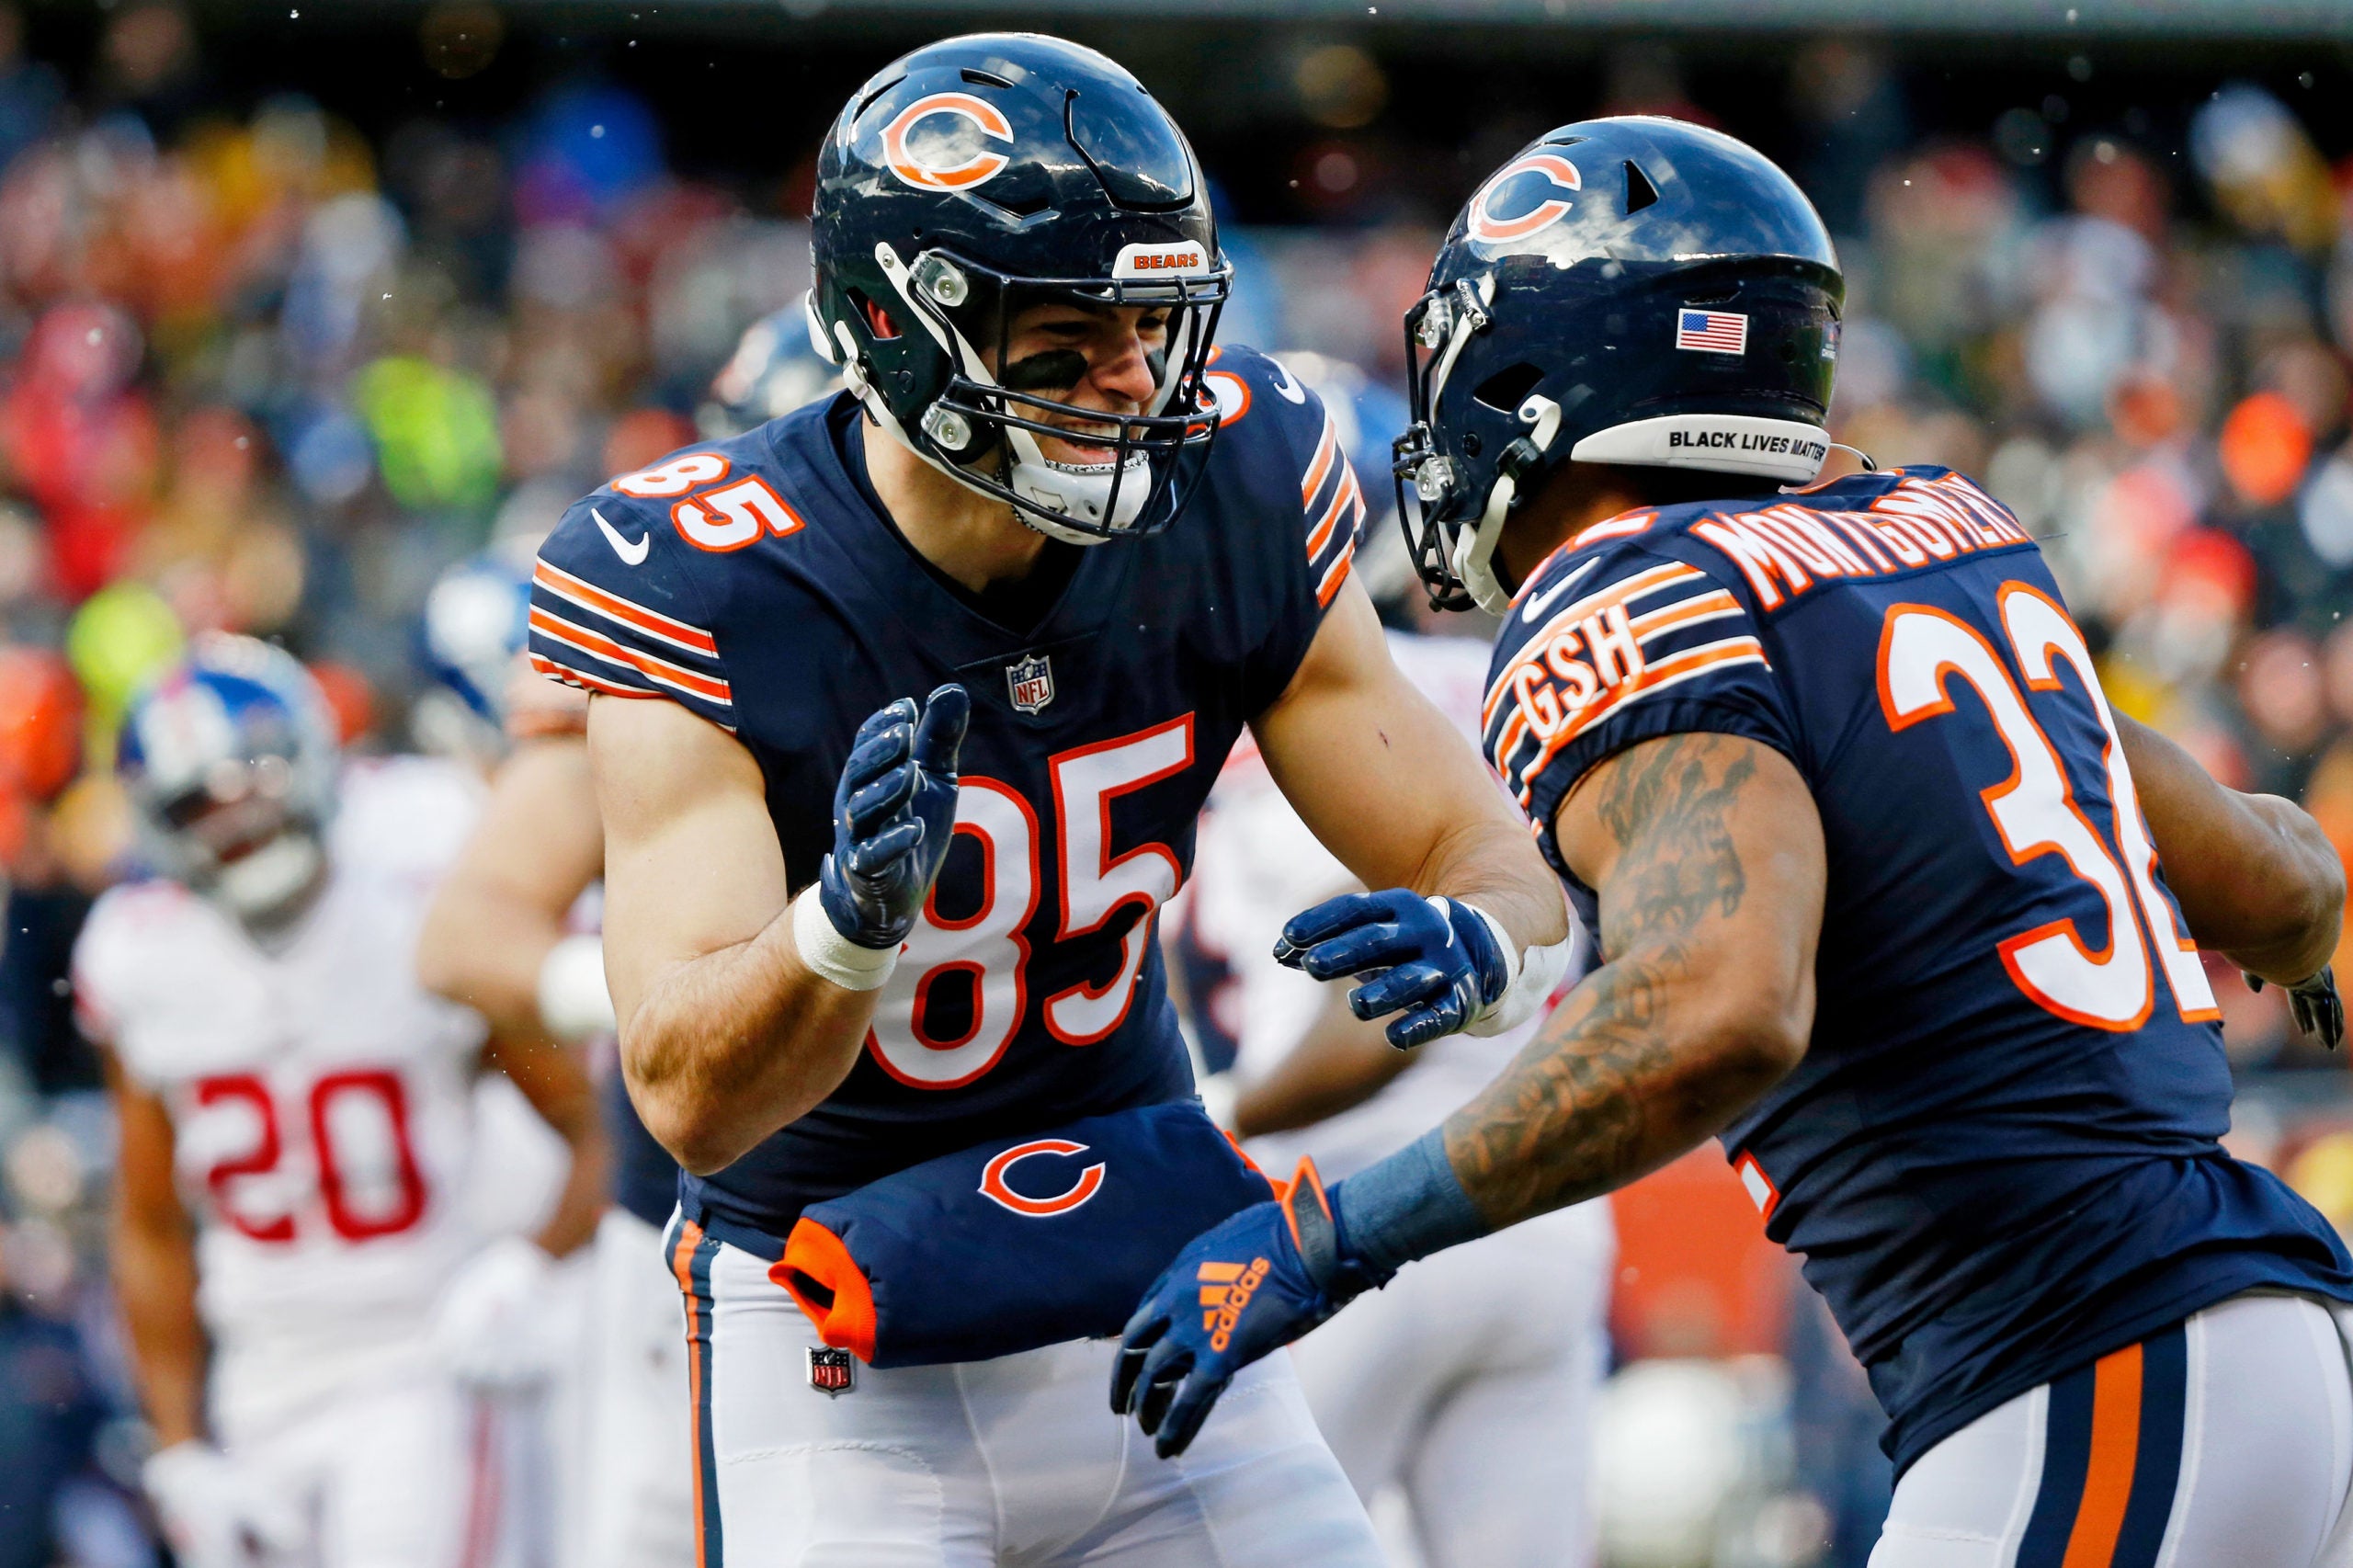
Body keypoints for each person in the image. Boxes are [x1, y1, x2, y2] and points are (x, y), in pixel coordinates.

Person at [1116, 117, 2353, 1568]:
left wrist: (1333, 1233)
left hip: (2084, 1358)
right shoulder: (1939, 532)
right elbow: (2284, 880)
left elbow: (1717, 1004)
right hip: (2269, 1333)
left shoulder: (1627, 589)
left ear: (1540, 376)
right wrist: (2296, 951)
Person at [526, 33, 1568, 1568]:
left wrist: (1488, 948)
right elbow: (692, 1097)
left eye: (1153, 322)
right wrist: (840, 929)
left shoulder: (1234, 483)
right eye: (1068, 334)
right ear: (899, 331)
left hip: (1138, 1263)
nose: (1133, 377)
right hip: (827, 1321)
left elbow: (1487, 853)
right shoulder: (714, 579)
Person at [84, 633, 607, 1568]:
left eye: (252, 782)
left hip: (423, 1363)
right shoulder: (140, 956)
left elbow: (593, 1122)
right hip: (260, 1383)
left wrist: (529, 1266)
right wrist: (179, 1447)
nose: (234, 823)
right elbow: (152, 1222)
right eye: (197, 803)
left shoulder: (411, 890)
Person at [1176, 621, 1613, 1568]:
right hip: (1546, 1205)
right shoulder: (1500, 682)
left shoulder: (1306, 689)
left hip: (1349, 1210)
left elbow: (1384, 999)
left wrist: (1226, 1113)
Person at [416, 548, 695, 1568]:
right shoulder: (443, 827)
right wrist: (650, 991)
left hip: (643, 1205)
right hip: (612, 1213)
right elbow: (460, 950)